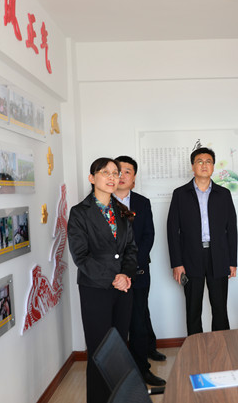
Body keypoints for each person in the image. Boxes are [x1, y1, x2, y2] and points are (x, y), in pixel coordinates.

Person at [67, 157, 139, 403]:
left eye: (115, 173)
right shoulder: (79, 213)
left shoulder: (122, 211)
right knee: (99, 350)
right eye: (105, 172)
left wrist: (125, 275)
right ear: (92, 178)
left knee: (119, 349)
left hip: (123, 288)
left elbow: (131, 249)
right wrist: (113, 277)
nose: (112, 177)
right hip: (95, 289)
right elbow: (81, 256)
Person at [167, 147, 237, 336]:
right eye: (199, 161)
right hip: (190, 258)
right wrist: (177, 263)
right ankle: (195, 350)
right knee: (193, 310)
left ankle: (222, 348)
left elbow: (232, 230)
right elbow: (172, 231)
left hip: (219, 257)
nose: (204, 165)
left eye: (208, 161)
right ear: (192, 166)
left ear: (213, 166)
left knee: (220, 309)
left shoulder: (223, 194)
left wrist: (232, 261)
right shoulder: (180, 194)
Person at [114, 155, 166, 387]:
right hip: (111, 274)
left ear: (134, 177)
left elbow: (148, 236)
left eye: (128, 171)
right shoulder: (102, 202)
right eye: (118, 171)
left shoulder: (142, 203)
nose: (122, 175)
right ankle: (117, 373)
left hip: (138, 271)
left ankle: (142, 370)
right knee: (115, 324)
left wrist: (132, 265)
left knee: (138, 321)